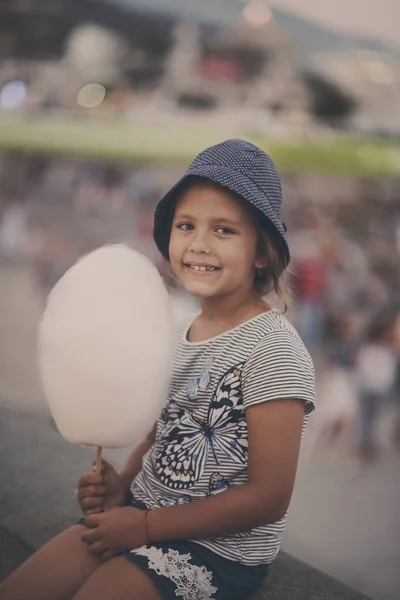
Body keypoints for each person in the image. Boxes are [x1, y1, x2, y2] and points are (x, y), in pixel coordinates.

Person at [1, 140, 315, 600]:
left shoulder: (273, 350)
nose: (199, 244)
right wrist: (120, 487)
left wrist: (145, 525)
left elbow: (269, 497)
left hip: (213, 551)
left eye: (224, 230)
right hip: (137, 516)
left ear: (263, 252)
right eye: (186, 225)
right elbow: (158, 435)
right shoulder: (174, 330)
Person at [355, 307, 400, 462]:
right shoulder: (386, 345)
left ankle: (365, 444)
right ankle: (368, 444)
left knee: (366, 415)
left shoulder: (369, 343)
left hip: (369, 380)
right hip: (378, 381)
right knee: (372, 416)